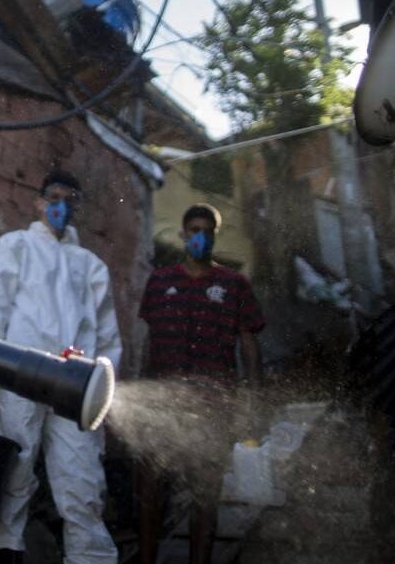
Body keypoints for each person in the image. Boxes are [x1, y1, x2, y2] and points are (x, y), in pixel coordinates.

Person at [0, 170, 123, 564]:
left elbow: (107, 338)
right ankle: (8, 554)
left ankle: (90, 558)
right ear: (38, 202)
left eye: (70, 200)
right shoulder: (16, 246)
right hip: (17, 371)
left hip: (76, 383)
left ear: (77, 209)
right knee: (14, 469)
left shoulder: (91, 266)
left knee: (81, 478)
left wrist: (103, 391)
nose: (60, 206)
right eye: (53, 197)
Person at [136, 203, 265, 564]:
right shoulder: (160, 281)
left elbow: (249, 344)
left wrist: (254, 401)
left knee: (204, 496)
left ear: (214, 237)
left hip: (213, 407)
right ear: (183, 234)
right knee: (150, 492)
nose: (200, 237)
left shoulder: (234, 284)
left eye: (207, 232)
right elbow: (148, 341)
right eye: (194, 230)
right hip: (161, 405)